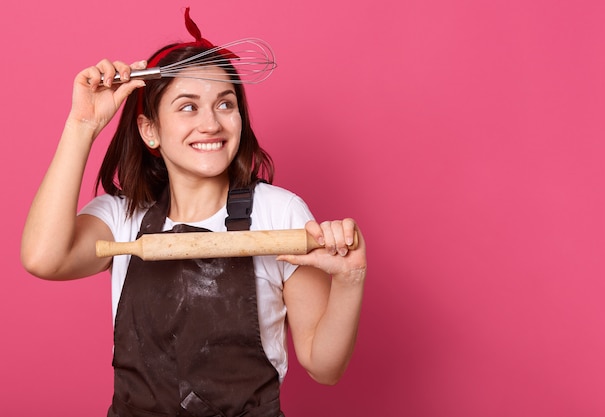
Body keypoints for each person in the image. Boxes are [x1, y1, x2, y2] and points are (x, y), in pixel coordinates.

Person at [20, 7, 366, 417]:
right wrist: (82, 123)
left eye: (225, 103)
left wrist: (350, 279)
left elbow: (324, 367)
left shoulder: (280, 212)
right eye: (188, 107)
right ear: (151, 130)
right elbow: (43, 258)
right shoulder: (123, 217)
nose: (211, 123)